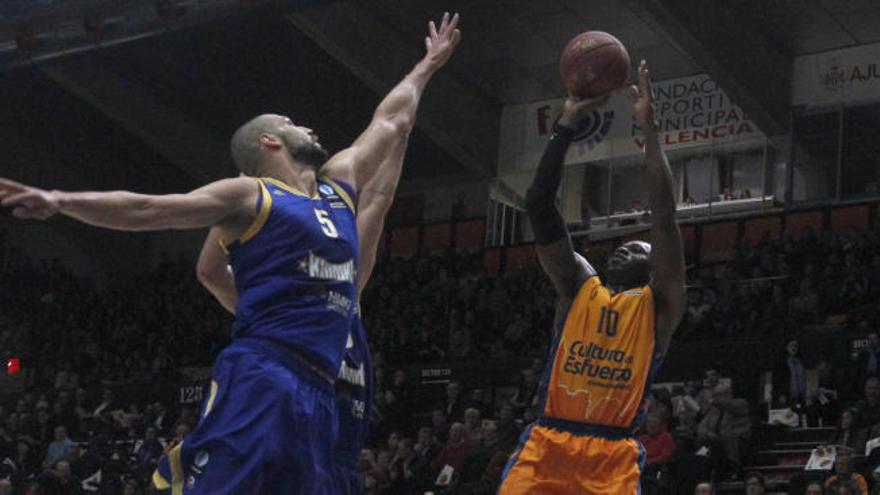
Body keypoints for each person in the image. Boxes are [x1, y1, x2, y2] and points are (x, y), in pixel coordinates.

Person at [0, 12, 460, 493]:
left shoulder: (339, 187)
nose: (307, 127)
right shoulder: (250, 196)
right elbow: (149, 209)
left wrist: (426, 66)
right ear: (270, 140)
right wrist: (59, 201)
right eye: (291, 122)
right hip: (265, 372)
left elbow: (390, 119)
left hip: (320, 392)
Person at [193, 16, 439, 495]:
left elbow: (379, 198)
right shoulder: (272, 234)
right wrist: (249, 304)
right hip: (279, 430)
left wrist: (403, 127)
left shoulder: (348, 285)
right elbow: (208, 267)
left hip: (333, 460)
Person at [498, 60, 686, 494]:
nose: (628, 245)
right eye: (624, 244)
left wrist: (650, 131)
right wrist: (566, 124)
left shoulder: (659, 309)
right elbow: (539, 204)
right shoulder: (579, 284)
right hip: (548, 444)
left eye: (641, 246)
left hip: (611, 456)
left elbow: (666, 217)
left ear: (656, 267)